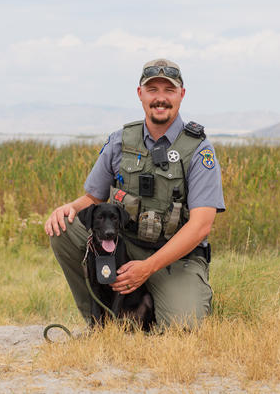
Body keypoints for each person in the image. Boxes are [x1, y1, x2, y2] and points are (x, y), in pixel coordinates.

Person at [44, 58, 225, 329]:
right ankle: (101, 320)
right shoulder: (120, 141)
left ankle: (159, 301)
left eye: (169, 90)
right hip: (122, 246)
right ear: (140, 94)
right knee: (63, 226)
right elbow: (92, 199)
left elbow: (201, 226)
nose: (160, 98)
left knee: (183, 328)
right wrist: (66, 208)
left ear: (181, 95)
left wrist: (148, 267)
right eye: (153, 90)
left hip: (174, 257)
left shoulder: (198, 150)